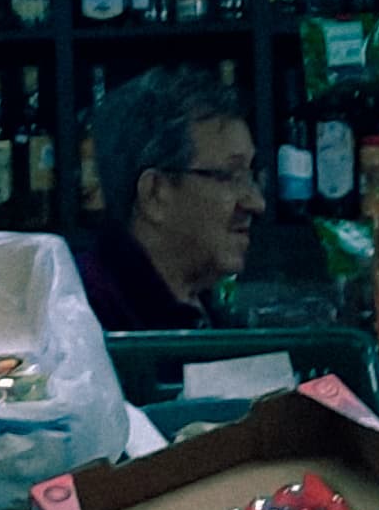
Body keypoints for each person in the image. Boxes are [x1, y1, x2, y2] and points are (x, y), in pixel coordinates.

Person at [72, 66, 267, 331]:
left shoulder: (201, 307)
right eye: (230, 176)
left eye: (250, 176)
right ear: (155, 194)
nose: (257, 203)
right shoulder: (84, 320)